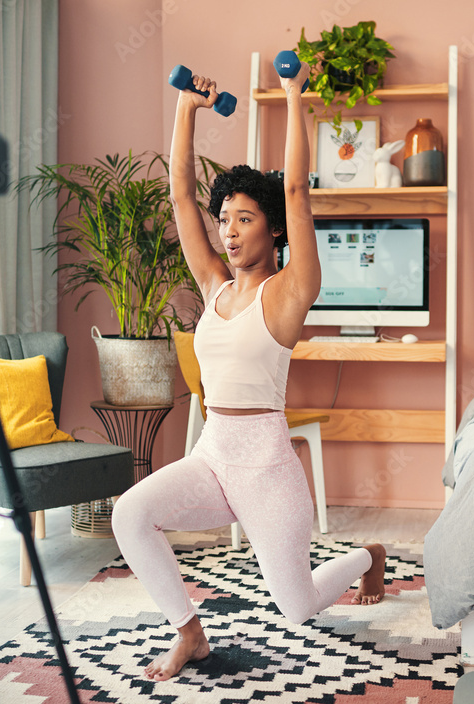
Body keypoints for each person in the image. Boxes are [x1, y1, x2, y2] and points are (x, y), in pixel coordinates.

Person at [110, 60, 387, 683]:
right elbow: (181, 194)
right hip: (213, 458)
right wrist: (186, 107)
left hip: (266, 470)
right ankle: (191, 636)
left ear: (272, 229)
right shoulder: (213, 286)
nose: (229, 233)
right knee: (129, 513)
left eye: (244, 219)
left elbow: (296, 191)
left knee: (298, 608)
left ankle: (367, 556)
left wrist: (294, 95)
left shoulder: (289, 293)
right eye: (225, 220)